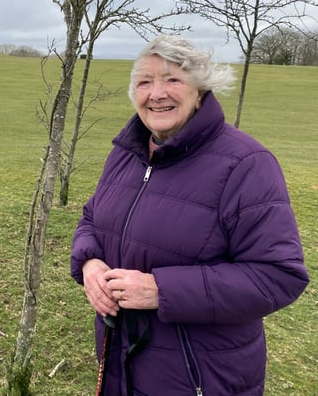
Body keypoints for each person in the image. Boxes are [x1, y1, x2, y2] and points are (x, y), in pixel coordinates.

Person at [70, 35, 309, 396]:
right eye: (145, 82)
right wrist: (89, 264)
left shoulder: (247, 164)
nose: (157, 93)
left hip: (199, 378)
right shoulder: (126, 153)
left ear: (201, 91)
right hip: (119, 362)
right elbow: (91, 217)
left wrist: (161, 290)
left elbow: (278, 275)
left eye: (173, 79)